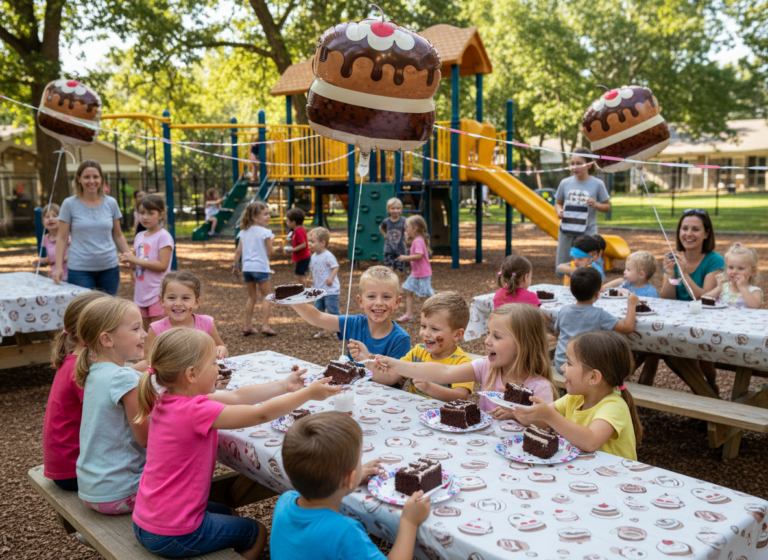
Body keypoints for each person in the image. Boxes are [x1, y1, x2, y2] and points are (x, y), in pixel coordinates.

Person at [132, 329, 340, 559]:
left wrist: (285, 385)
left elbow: (238, 396)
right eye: (213, 363)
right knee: (257, 532)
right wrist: (308, 394)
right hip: (173, 533)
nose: (219, 368)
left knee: (232, 513)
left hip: (148, 518)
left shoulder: (170, 398)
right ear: (191, 374)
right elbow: (260, 414)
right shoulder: (195, 410)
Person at [271, 412, 431, 560]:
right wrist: (409, 522)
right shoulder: (344, 532)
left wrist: (344, 480)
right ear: (350, 478)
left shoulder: (285, 500)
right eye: (359, 460)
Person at [372, 303, 556, 419]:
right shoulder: (487, 367)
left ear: (523, 345)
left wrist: (516, 416)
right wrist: (398, 366)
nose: (487, 341)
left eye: (497, 337)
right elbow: (444, 372)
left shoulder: (540, 387)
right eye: (488, 333)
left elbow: (545, 425)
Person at [516, 330, 642, 460]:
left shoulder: (614, 406)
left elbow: (590, 441)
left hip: (616, 476)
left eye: (569, 363)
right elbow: (540, 422)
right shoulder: (575, 398)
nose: (563, 367)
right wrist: (519, 411)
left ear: (593, 377)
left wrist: (548, 414)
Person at [74, 297, 148, 513]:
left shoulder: (95, 372)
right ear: (107, 339)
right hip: (122, 492)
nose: (144, 334)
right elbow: (146, 438)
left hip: (92, 490)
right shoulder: (124, 378)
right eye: (136, 328)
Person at [644, 209, 725, 390]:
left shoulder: (715, 260)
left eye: (695, 229)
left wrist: (685, 273)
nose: (688, 234)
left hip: (703, 319)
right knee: (652, 344)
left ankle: (710, 387)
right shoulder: (673, 257)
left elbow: (704, 298)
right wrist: (672, 275)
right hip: (675, 320)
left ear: (706, 234)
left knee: (694, 355)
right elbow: (666, 299)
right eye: (684, 228)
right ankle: (644, 387)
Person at [349, 291, 474, 401]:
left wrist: (429, 387)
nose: (425, 333)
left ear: (457, 334)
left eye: (435, 329)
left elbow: (460, 396)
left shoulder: (462, 362)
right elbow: (390, 378)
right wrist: (366, 359)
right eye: (423, 326)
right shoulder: (417, 353)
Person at [43, 291, 110, 491]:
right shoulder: (84, 371)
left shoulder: (75, 360)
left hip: (65, 464)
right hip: (74, 471)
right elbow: (112, 416)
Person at [290, 266, 411, 360]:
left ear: (397, 302)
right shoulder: (354, 323)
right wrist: (291, 299)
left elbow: (392, 379)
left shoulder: (401, 339)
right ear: (360, 301)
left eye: (386, 296)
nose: (379, 302)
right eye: (371, 296)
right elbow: (317, 317)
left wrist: (367, 359)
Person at [53, 161, 131, 295]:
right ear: (78, 179)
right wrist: (58, 266)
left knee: (109, 310)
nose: (92, 181)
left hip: (109, 267)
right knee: (83, 310)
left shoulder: (111, 203)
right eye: (86, 177)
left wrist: (130, 257)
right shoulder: (69, 204)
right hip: (80, 269)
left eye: (95, 177)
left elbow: (118, 235)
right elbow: (62, 237)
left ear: (101, 179)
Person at [553, 267, 638, 373]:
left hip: (561, 364)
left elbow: (556, 330)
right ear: (598, 294)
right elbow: (628, 328)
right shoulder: (599, 315)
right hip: (585, 370)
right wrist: (632, 304)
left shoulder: (564, 310)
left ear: (571, 290)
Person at [119, 195, 174, 331]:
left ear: (160, 215)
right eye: (142, 212)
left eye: (150, 213)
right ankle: (147, 353)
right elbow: (138, 263)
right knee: (143, 329)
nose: (145, 217)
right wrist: (130, 263)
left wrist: (135, 260)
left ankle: (160, 353)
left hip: (157, 292)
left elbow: (163, 265)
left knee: (158, 330)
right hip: (141, 293)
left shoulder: (164, 236)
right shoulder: (139, 236)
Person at [144, 271, 229, 360]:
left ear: (196, 302)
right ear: (162, 301)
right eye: (171, 298)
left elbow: (220, 347)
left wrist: (221, 350)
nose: (178, 303)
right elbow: (147, 361)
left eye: (185, 298)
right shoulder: (156, 329)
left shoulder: (206, 323)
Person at [554, 148, 610, 272]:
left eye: (579, 163)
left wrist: (596, 205)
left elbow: (607, 207)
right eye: (572, 163)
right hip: (566, 231)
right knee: (564, 265)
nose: (575, 167)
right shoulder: (565, 183)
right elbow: (558, 203)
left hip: (588, 231)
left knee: (590, 266)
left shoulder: (597, 184)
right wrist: (559, 211)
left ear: (589, 165)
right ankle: (567, 288)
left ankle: (591, 288)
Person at [232, 202, 276, 336]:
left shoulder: (243, 232)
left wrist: (235, 267)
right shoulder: (265, 232)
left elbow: (238, 252)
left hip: (247, 268)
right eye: (265, 214)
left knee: (251, 297)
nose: (268, 216)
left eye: (269, 214)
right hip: (260, 268)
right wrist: (277, 248)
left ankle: (248, 325)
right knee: (267, 296)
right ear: (256, 216)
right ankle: (265, 326)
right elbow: (271, 252)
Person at [397, 215, 434, 322]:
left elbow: (419, 255)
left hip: (422, 273)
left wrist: (405, 258)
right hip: (416, 273)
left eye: (407, 227)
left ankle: (437, 312)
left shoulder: (418, 241)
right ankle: (409, 315)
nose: (406, 229)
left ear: (415, 229)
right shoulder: (417, 240)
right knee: (407, 289)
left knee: (427, 296)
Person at [703, 242, 763, 309]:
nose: (734, 272)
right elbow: (704, 299)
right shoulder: (723, 288)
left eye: (741, 268)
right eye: (731, 267)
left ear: (752, 272)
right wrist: (718, 288)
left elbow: (755, 306)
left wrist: (742, 287)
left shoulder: (754, 291)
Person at [307, 227, 340, 339]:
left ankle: (339, 330)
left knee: (332, 309)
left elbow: (335, 267)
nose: (309, 244)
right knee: (318, 310)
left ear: (322, 243)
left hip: (330, 290)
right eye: (309, 242)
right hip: (318, 290)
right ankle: (322, 330)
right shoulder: (313, 257)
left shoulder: (328, 255)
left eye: (312, 241)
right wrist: (310, 278)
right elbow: (312, 269)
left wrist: (331, 278)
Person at [34, 203, 69, 282]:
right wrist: (42, 260)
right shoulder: (46, 239)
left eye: (54, 216)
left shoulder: (68, 237)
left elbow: (72, 256)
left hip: (68, 276)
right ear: (43, 222)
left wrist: (55, 260)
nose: (50, 219)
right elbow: (51, 256)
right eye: (47, 217)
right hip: (55, 276)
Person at [379, 197, 407, 276]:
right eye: (392, 208)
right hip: (389, 249)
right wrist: (385, 235)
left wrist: (407, 236)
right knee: (389, 270)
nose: (395, 211)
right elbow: (381, 227)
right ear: (388, 210)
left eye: (398, 208)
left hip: (400, 249)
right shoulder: (386, 221)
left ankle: (398, 286)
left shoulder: (404, 220)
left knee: (399, 271)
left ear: (401, 210)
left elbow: (409, 229)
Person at [285, 207, 311, 286]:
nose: (287, 222)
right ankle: (305, 290)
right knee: (301, 276)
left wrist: (292, 250)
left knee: (300, 277)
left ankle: (305, 291)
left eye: (288, 221)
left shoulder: (298, 232)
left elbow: (303, 245)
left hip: (303, 258)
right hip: (302, 257)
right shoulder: (298, 230)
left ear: (294, 222)